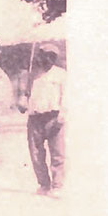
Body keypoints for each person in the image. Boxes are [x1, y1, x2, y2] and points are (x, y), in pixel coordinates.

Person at [17, 43, 66, 197]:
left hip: (54, 116)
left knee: (57, 153)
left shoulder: (61, 74)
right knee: (36, 153)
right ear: (40, 57)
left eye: (51, 56)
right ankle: (44, 184)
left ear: (55, 58)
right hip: (34, 118)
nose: (48, 59)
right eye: (44, 56)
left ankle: (57, 186)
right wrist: (22, 102)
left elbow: (67, 96)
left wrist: (62, 116)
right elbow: (24, 96)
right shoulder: (32, 75)